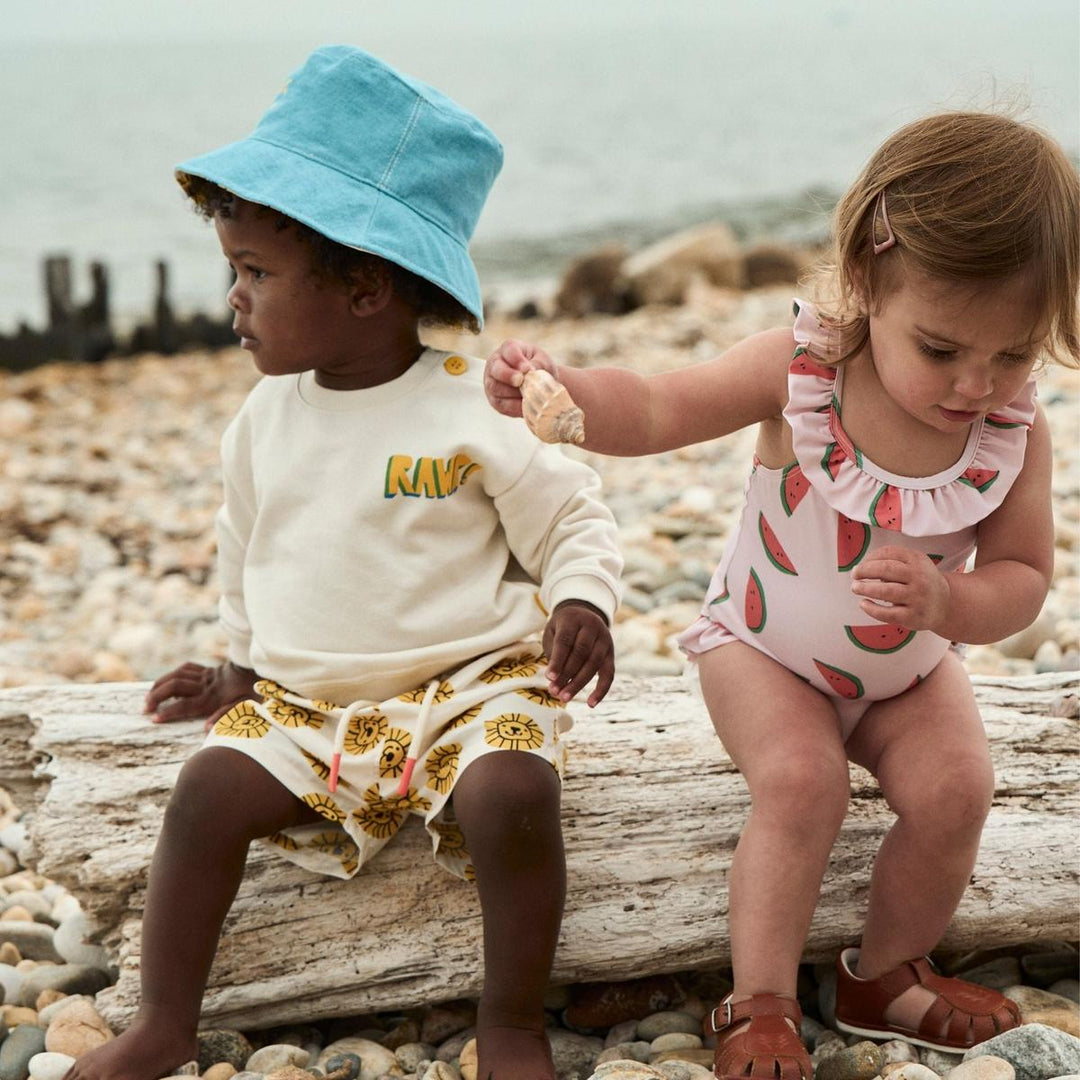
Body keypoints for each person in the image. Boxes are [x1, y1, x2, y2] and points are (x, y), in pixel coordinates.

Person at [67, 46, 621, 1080]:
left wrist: (582, 601)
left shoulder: (469, 403)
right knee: (204, 794)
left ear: (365, 288)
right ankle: (164, 1022)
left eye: (256, 273)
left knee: (512, 794)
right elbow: (245, 545)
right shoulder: (263, 417)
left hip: (467, 685)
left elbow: (569, 515)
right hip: (311, 701)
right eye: (233, 269)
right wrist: (236, 668)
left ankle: (511, 1021)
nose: (232, 297)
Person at [486, 111, 1078, 1078]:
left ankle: (884, 975)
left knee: (959, 788)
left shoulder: (1012, 431)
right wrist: (567, 394)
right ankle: (757, 998)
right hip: (763, 652)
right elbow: (662, 405)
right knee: (804, 784)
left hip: (908, 672)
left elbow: (1024, 579)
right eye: (940, 350)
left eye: (1012, 354)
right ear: (867, 284)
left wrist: (949, 605)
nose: (977, 384)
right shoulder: (804, 372)